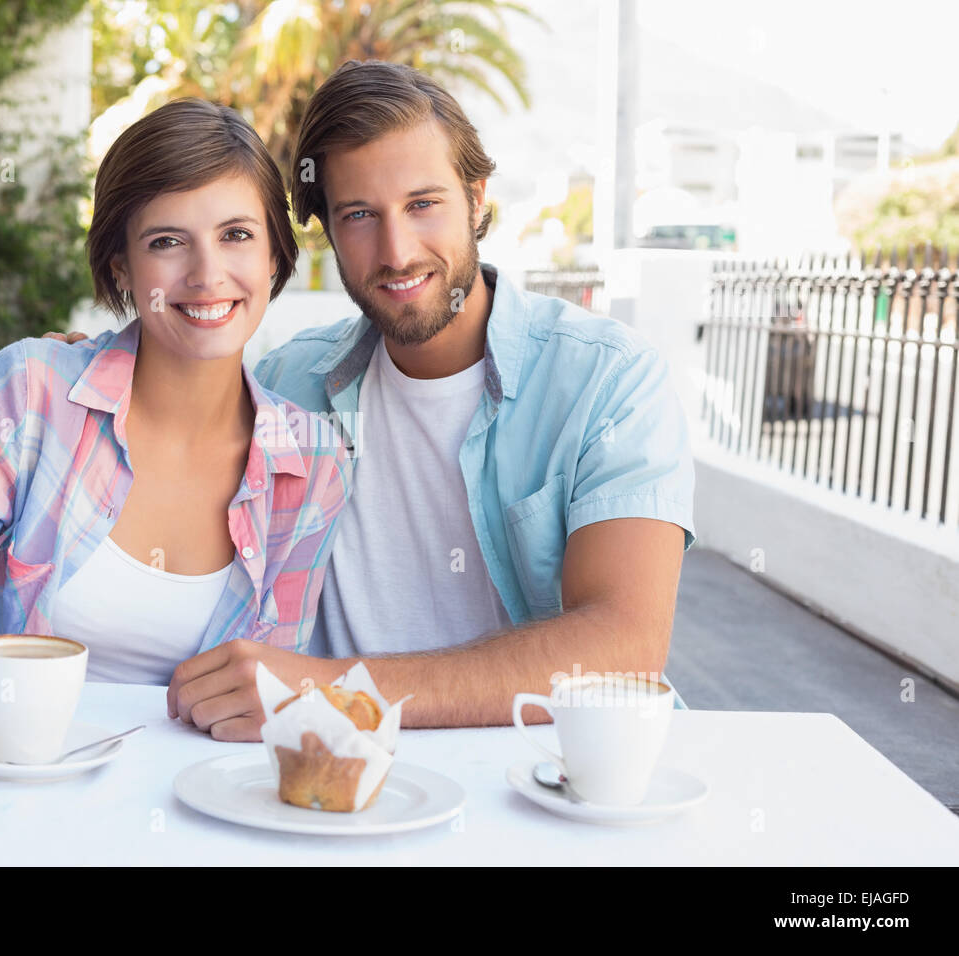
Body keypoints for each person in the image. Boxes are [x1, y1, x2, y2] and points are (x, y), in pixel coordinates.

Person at [51, 60, 696, 739]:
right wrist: (88, 366)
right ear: (326, 230)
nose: (396, 251)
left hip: (539, 779)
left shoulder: (607, 383)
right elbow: (161, 402)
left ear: (477, 199)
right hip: (323, 779)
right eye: (359, 214)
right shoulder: (288, 385)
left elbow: (625, 649)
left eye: (423, 204)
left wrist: (331, 693)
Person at [0, 98, 352, 746]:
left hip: (194, 806)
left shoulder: (312, 467)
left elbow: (263, 697)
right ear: (121, 267)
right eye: (166, 242)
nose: (207, 274)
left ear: (274, 256)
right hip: (6, 785)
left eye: (236, 235)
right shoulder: (33, 396)